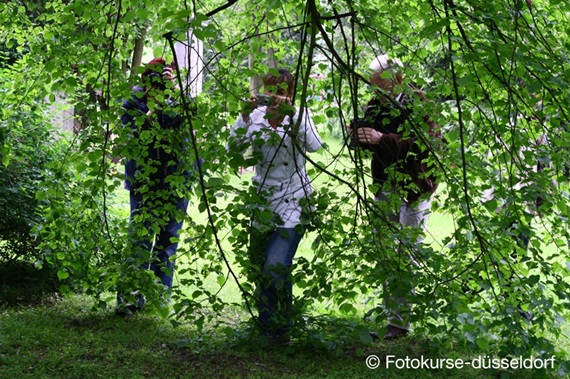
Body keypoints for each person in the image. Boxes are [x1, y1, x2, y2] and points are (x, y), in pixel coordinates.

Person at [227, 68, 323, 344]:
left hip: (294, 199)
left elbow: (315, 146)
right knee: (260, 266)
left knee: (276, 265)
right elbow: (232, 148)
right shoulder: (254, 115)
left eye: (280, 91)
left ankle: (282, 327)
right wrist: (243, 119)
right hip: (262, 200)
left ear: (290, 94)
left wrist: (295, 113)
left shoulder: (298, 114)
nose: (273, 97)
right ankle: (268, 326)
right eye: (269, 90)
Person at [349, 54, 441, 340]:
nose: (373, 89)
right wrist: (357, 134)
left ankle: (399, 325)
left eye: (378, 83)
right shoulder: (376, 104)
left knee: (407, 253)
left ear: (395, 79)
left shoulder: (420, 103)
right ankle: (389, 316)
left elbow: (429, 146)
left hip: (414, 187)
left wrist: (382, 139)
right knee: (386, 252)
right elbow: (370, 143)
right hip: (385, 186)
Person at [117, 57, 199, 316]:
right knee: (140, 239)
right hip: (144, 180)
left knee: (167, 241)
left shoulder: (180, 99)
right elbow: (139, 129)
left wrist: (175, 92)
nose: (158, 85)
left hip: (176, 179)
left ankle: (157, 302)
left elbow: (192, 117)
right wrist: (156, 105)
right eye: (154, 80)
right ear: (145, 80)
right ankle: (129, 301)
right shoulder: (133, 102)